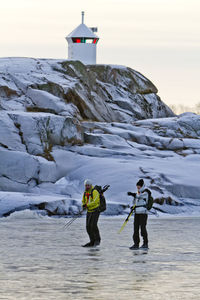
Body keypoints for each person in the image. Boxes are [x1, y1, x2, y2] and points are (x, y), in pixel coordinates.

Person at [127, 179, 149, 250]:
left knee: (143, 229)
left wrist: (133, 194)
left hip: (143, 213)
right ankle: (136, 244)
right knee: (135, 229)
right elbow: (135, 202)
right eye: (137, 187)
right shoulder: (138, 193)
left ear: (142, 186)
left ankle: (145, 243)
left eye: (139, 187)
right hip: (137, 213)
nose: (138, 188)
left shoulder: (146, 193)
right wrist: (133, 207)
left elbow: (139, 197)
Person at [82, 179, 101, 247]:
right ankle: (92, 241)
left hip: (95, 210)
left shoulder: (94, 191)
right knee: (88, 227)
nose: (87, 186)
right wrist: (83, 205)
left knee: (93, 225)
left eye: (88, 185)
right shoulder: (85, 192)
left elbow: (95, 202)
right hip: (89, 211)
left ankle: (97, 240)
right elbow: (83, 200)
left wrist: (87, 205)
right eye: (86, 185)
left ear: (91, 185)